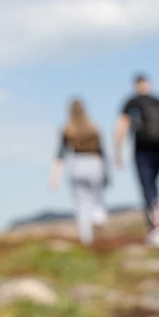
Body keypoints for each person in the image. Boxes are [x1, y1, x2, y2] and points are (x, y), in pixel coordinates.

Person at [114, 74, 159, 248]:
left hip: (142, 148)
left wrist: (117, 150)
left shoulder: (132, 102)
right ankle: (157, 212)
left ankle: (156, 224)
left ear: (136, 85)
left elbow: (121, 126)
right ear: (149, 84)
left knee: (147, 185)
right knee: (154, 183)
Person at [49, 98, 109, 246]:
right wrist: (106, 172)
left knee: (82, 204)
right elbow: (102, 152)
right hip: (94, 163)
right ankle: (98, 214)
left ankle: (86, 239)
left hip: (76, 165)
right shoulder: (94, 127)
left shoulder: (67, 129)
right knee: (96, 196)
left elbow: (60, 154)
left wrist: (54, 177)